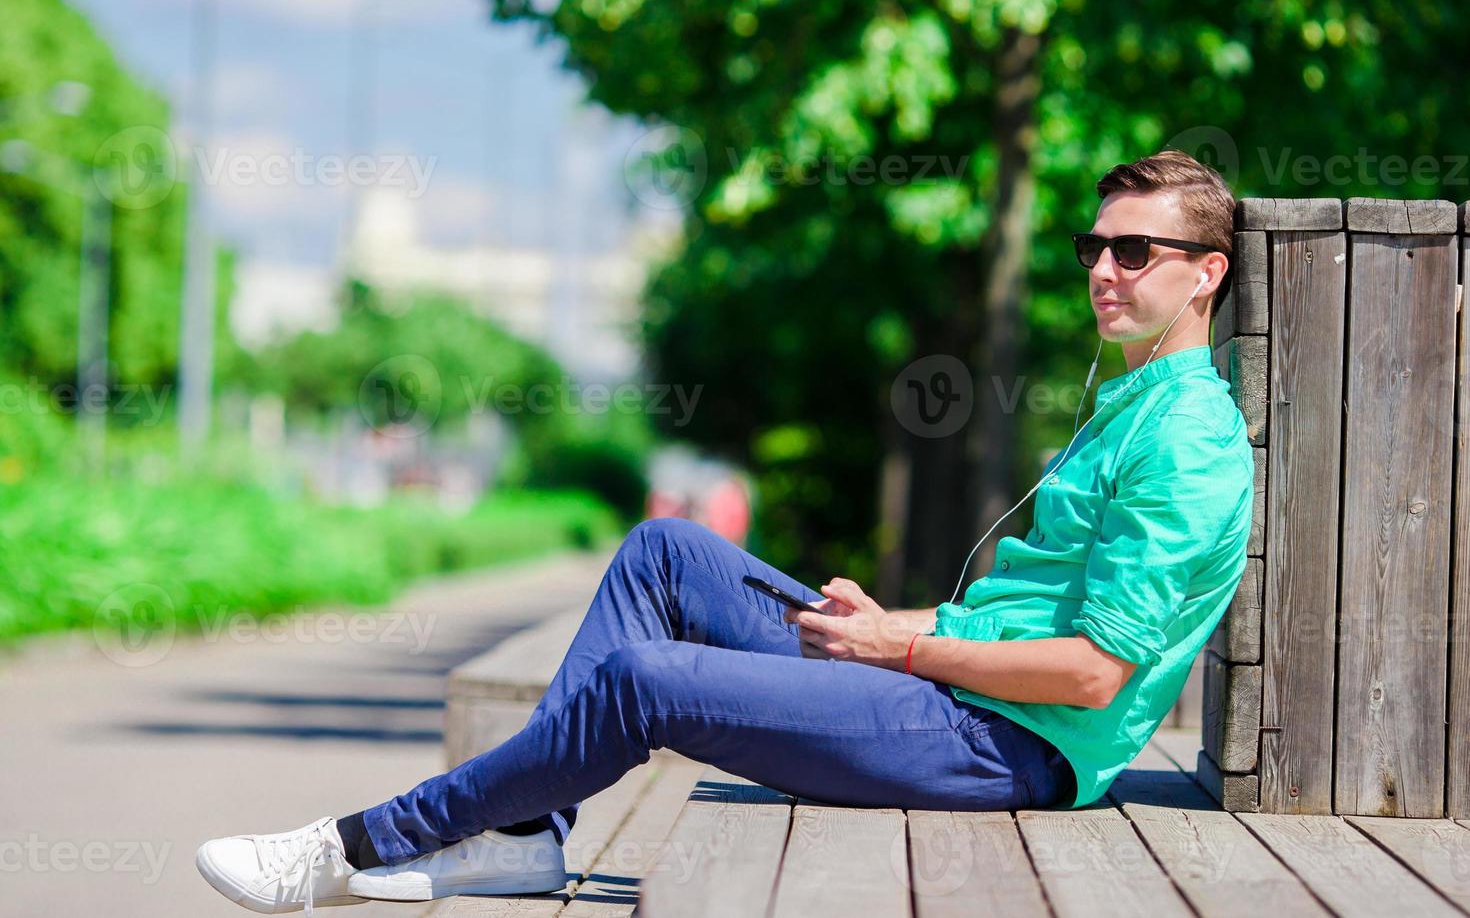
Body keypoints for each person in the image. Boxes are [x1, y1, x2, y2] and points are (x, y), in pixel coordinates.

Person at [195, 149, 1254, 914]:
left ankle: (354, 844)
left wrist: (903, 647)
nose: (1104, 270)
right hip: (949, 687)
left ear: (1205, 271)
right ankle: (524, 836)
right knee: (667, 554)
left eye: (1136, 250)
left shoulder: (1187, 443)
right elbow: (1024, 610)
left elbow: (1089, 673)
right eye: (1093, 246)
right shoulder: (1128, 405)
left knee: (648, 680)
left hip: (1009, 744)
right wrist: (894, 622)